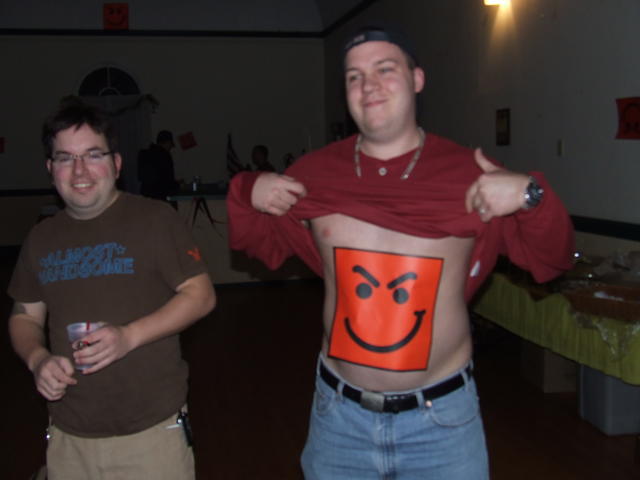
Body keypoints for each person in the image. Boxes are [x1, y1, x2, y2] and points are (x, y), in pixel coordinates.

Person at [227, 25, 575, 479]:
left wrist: (531, 195)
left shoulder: (470, 174)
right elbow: (259, 242)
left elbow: (552, 258)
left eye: (384, 69)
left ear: (417, 79)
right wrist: (248, 188)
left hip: (441, 423)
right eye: (354, 77)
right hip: (339, 419)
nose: (368, 85)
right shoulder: (313, 174)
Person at [8, 98, 216, 479]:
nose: (80, 170)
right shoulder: (40, 238)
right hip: (69, 435)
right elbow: (24, 317)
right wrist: (37, 359)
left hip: (152, 434)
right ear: (50, 169)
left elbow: (200, 295)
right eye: (65, 158)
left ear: (116, 164)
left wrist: (128, 336)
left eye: (93, 155)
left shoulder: (155, 220)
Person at [138, 129, 179, 201]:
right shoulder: (164, 156)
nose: (170, 148)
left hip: (146, 195)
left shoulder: (145, 154)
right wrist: (178, 185)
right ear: (168, 142)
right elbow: (168, 179)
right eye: (170, 145)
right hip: (160, 196)